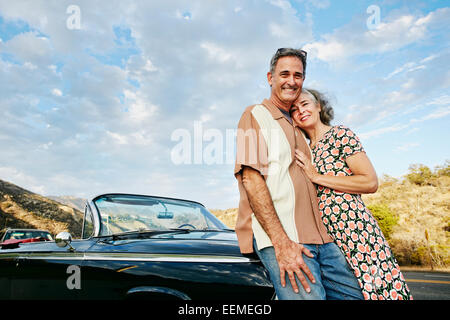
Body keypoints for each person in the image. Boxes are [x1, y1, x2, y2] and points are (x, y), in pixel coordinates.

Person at [234, 48, 364, 300]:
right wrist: (281, 242)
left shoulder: (301, 127)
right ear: (270, 77)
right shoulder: (255, 114)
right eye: (284, 74)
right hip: (285, 237)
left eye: (298, 75)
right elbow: (251, 179)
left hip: (325, 240)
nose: (292, 81)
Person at [291, 88, 413, 300]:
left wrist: (316, 176)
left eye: (305, 104)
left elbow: (369, 181)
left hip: (356, 231)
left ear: (318, 106)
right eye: (294, 109)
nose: (300, 110)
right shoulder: (306, 149)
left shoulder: (340, 134)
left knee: (378, 291)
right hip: (327, 239)